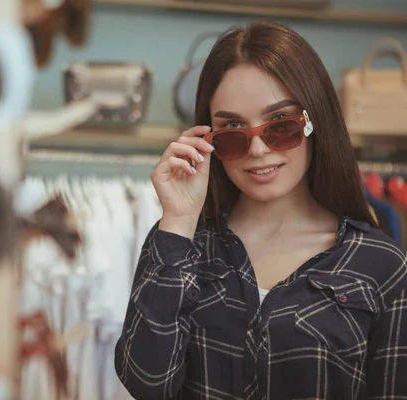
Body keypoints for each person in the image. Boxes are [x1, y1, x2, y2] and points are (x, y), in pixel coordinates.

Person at [114, 21, 407, 400]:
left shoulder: (381, 265)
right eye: (233, 130)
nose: (257, 150)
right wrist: (179, 220)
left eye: (280, 125)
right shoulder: (178, 242)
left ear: (313, 124)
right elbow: (146, 384)